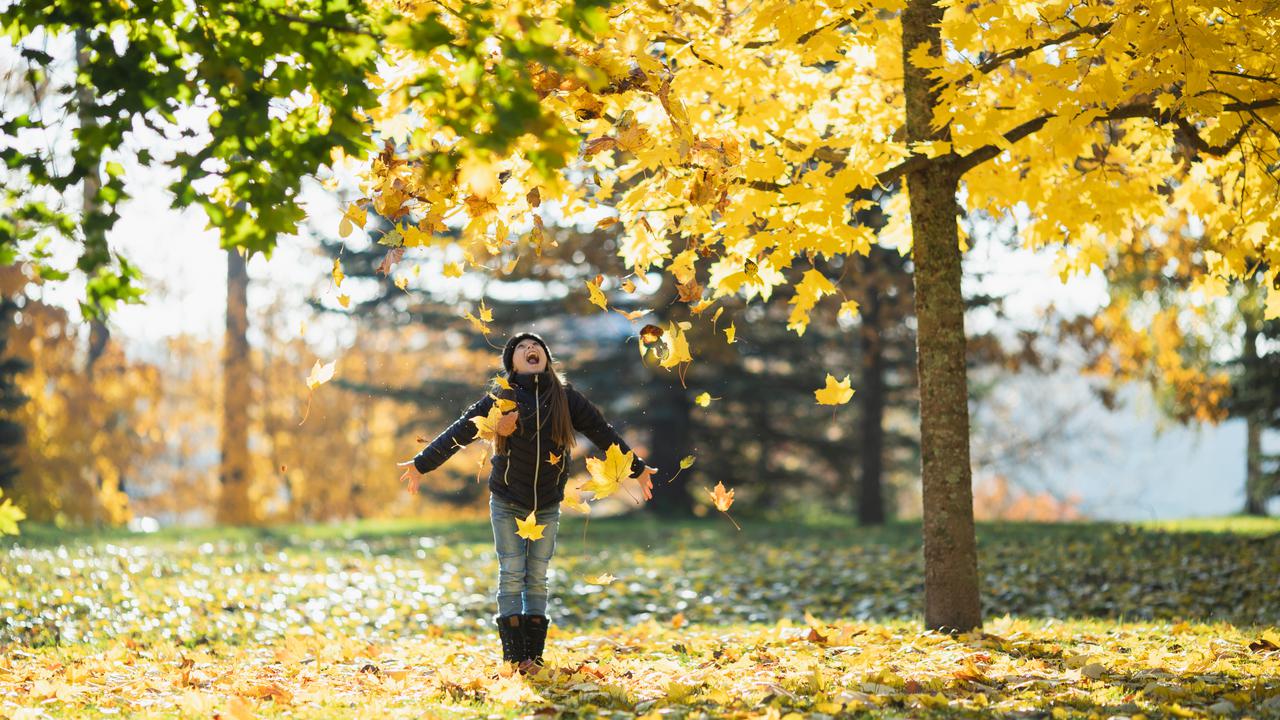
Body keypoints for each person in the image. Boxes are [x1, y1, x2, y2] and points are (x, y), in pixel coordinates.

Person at [398, 331, 656, 671]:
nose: (530, 349)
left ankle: (532, 658)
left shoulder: (566, 399)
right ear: (512, 364)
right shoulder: (500, 399)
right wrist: (421, 463)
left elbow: (602, 433)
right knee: (512, 573)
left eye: (536, 346)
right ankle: (512, 657)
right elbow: (460, 431)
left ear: (546, 358)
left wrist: (635, 467)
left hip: (547, 503)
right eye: (521, 347)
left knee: (536, 576)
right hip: (507, 501)